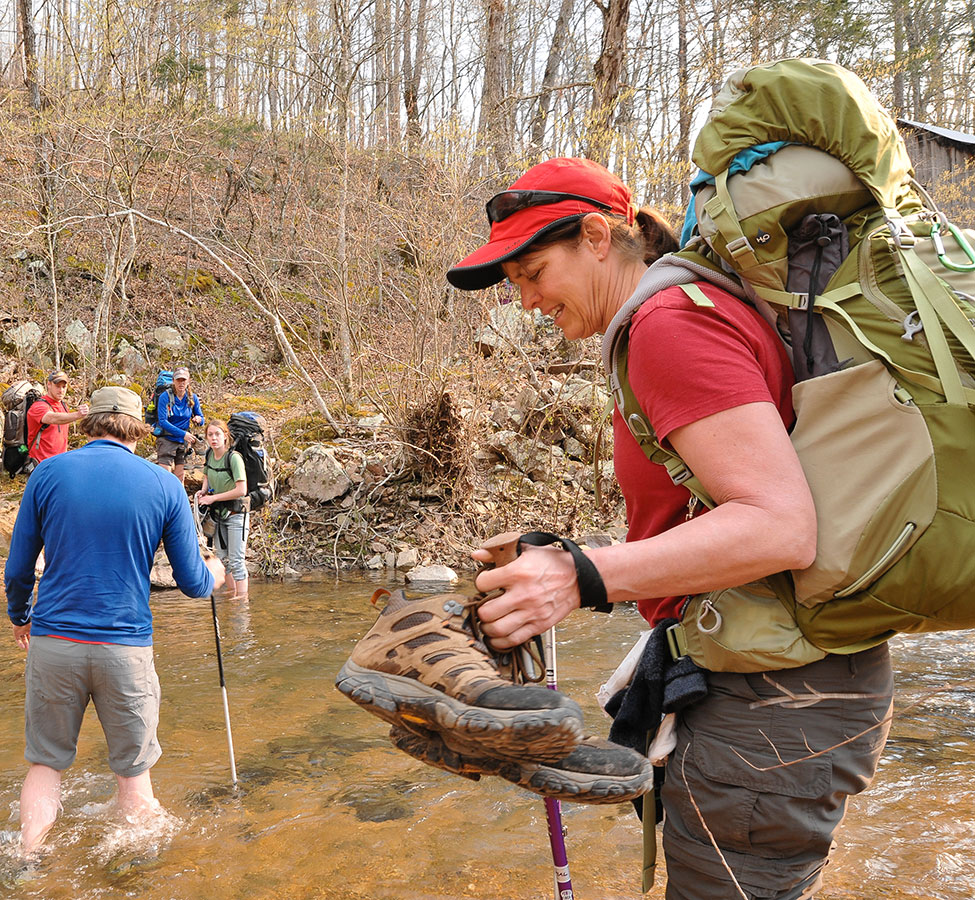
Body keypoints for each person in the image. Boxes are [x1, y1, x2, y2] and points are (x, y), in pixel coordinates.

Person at [447, 157, 893, 900]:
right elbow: (712, 511)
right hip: (783, 681)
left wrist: (580, 578)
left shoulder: (667, 323)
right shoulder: (683, 308)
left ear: (595, 235)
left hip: (772, 700)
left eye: (531, 271)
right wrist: (568, 555)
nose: (523, 299)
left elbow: (781, 528)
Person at [5, 386, 224, 856]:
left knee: (45, 765)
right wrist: (217, 574)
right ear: (137, 427)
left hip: (54, 641)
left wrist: (20, 618)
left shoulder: (47, 473)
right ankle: (129, 868)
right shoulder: (163, 483)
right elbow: (192, 583)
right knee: (133, 775)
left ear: (90, 422)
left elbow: (18, 567)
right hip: (125, 649)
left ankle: (27, 857)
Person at [196, 419, 249, 598]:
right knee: (224, 560)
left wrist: (213, 498)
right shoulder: (210, 454)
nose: (213, 438)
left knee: (236, 561)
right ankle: (231, 597)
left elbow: (242, 490)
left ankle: (242, 604)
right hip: (218, 514)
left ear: (225, 436)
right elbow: (207, 474)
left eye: (217, 434)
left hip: (236, 514)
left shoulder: (234, 458)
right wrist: (203, 492)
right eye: (210, 435)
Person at [26, 370, 89, 465]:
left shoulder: (63, 405)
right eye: (57, 386)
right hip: (40, 464)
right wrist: (77, 415)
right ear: (49, 385)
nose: (61, 390)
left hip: (59, 463)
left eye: (64, 387)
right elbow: (51, 418)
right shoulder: (38, 406)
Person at [155, 365, 204, 483]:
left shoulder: (192, 397)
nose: (181, 383)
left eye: (184, 380)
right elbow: (162, 421)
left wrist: (198, 419)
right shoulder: (165, 397)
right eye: (178, 380)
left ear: (188, 381)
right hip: (167, 439)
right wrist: (183, 434)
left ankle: (180, 501)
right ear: (173, 381)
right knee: (165, 477)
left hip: (183, 442)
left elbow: (202, 419)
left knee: (179, 478)